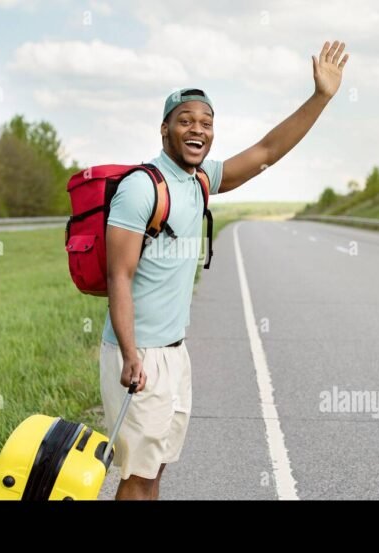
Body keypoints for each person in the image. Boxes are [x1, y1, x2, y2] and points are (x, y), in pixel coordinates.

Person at [100, 41, 349, 500]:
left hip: (174, 353)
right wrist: (132, 354)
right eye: (186, 121)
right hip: (139, 354)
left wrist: (321, 98)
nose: (198, 129)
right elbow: (119, 276)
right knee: (135, 477)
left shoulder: (200, 178)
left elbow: (268, 150)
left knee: (155, 470)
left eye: (207, 123)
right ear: (165, 130)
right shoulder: (141, 189)